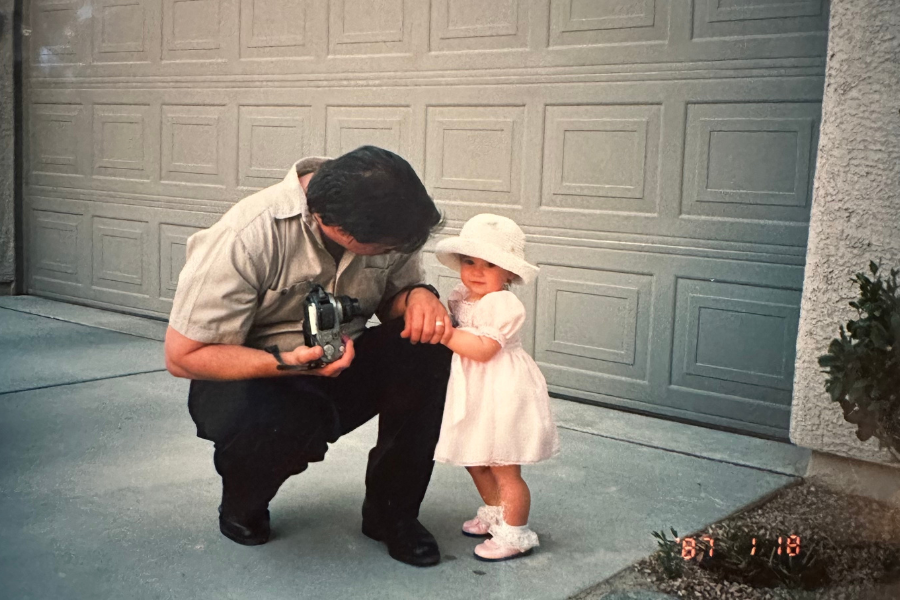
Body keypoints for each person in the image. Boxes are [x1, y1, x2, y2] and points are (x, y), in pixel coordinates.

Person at [164, 146, 454, 567]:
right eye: (385, 247)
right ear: (331, 224)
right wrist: (288, 361)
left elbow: (394, 297)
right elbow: (183, 355)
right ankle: (243, 500)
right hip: (251, 377)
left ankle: (392, 514)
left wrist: (418, 298)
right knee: (280, 423)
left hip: (343, 362)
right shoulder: (246, 236)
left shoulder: (389, 219)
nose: (397, 249)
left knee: (427, 347)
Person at [432, 213, 560, 562]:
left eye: (489, 264)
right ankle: (497, 512)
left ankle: (516, 533)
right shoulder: (464, 295)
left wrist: (444, 333)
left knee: (504, 465)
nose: (476, 271)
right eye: (469, 261)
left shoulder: (504, 304)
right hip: (477, 390)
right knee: (477, 459)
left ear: (509, 273)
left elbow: (484, 349)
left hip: (503, 389)